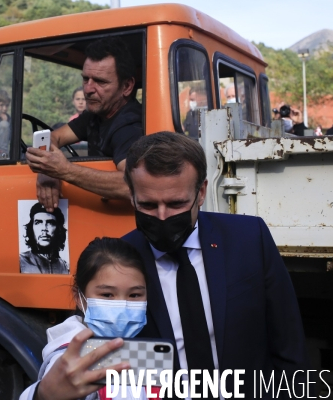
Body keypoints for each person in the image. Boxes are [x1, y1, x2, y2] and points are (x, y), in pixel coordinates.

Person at [121, 132, 309, 397]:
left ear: (201, 193)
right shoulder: (118, 260)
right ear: (132, 195)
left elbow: (289, 347)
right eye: (148, 205)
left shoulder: (248, 239)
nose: (162, 217)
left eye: (176, 204)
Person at [21, 237, 160, 400]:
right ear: (79, 297)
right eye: (107, 295)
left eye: (134, 295)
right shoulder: (70, 359)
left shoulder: (147, 352)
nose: (123, 306)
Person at [26, 37, 142, 212]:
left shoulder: (129, 126)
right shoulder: (95, 115)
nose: (88, 89)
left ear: (126, 86)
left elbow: (133, 185)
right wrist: (46, 170)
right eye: (85, 79)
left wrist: (64, 171)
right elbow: (55, 137)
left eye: (100, 81)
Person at [20, 202, 69, 274]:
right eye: (38, 222)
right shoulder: (21, 261)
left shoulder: (65, 266)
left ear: (59, 230)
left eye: (50, 223)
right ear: (31, 229)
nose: (44, 228)